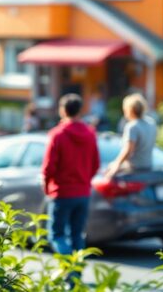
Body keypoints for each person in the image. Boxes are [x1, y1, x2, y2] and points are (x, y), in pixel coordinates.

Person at [40, 93, 100, 257]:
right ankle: (75, 277)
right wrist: (85, 180)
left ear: (62, 110)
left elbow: (48, 167)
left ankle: (70, 271)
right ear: (80, 111)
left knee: (56, 236)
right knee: (77, 236)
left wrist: (46, 187)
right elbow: (95, 165)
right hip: (83, 193)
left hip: (62, 193)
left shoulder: (57, 134)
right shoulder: (90, 134)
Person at [105, 93, 157, 178]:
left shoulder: (132, 126)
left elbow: (128, 150)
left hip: (134, 168)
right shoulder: (151, 123)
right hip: (148, 165)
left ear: (129, 110)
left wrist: (116, 164)